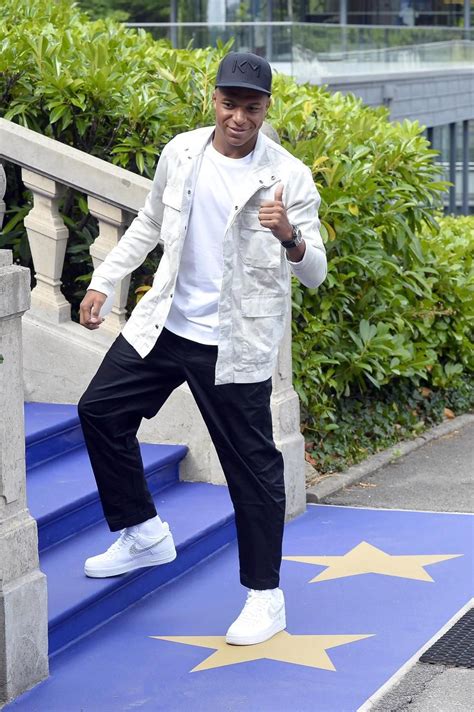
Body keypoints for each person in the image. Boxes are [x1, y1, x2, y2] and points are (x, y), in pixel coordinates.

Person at [78, 51, 327, 646]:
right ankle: (142, 531)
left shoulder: (288, 176)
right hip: (166, 324)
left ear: (267, 109)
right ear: (213, 99)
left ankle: (266, 597)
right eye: (229, 103)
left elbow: (316, 272)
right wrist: (103, 280)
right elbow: (146, 224)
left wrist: (288, 235)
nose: (238, 117)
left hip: (234, 343)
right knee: (99, 411)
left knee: (252, 468)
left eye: (252, 106)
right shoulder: (183, 153)